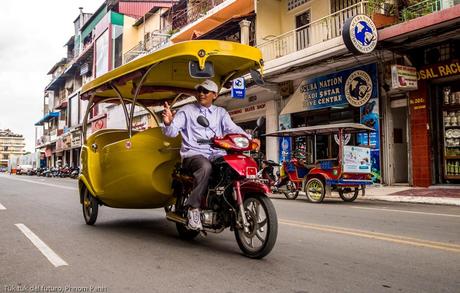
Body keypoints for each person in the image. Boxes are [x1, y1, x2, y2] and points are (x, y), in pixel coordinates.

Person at [161, 79, 258, 230]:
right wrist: (167, 123)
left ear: (215, 95)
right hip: (193, 154)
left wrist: (250, 139)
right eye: (199, 90)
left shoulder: (221, 113)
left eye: (205, 91)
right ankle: (194, 209)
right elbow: (172, 132)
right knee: (205, 167)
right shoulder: (187, 110)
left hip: (216, 154)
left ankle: (227, 204)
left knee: (234, 165)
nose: (201, 94)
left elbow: (233, 129)